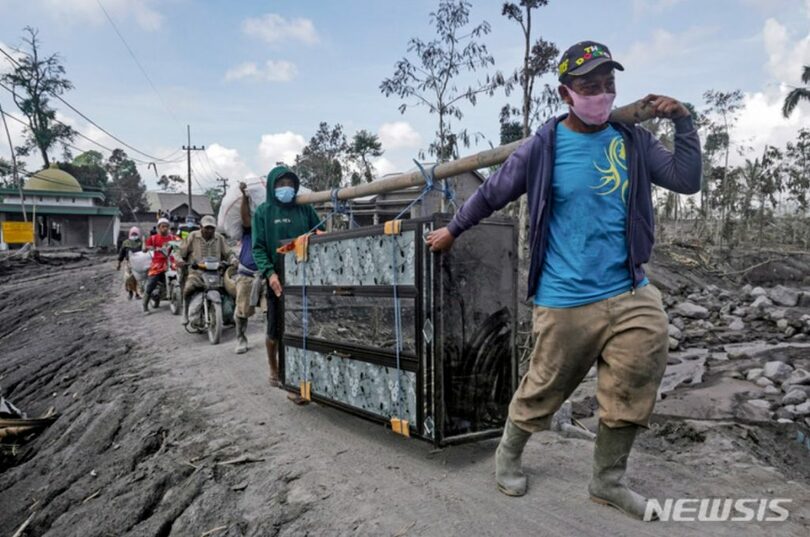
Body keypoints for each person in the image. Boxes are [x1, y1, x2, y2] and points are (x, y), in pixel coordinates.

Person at [426, 41, 701, 520]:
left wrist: (683, 121)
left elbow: (685, 179)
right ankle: (508, 452)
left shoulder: (632, 139)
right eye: (588, 86)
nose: (601, 94)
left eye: (608, 85)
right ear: (566, 93)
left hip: (630, 287)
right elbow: (493, 192)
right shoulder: (544, 146)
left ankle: (608, 480)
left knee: (636, 375)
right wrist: (453, 229)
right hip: (566, 294)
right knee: (545, 386)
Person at [252, 165, 323, 394]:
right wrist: (270, 274)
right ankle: (274, 367)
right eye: (281, 184)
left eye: (290, 184)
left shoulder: (304, 209)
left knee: (304, 327)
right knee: (275, 328)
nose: (286, 188)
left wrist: (321, 237)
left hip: (305, 278)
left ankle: (301, 371)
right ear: (273, 187)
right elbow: (259, 248)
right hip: (278, 280)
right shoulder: (263, 213)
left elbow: (320, 232)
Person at [177, 215, 235, 324]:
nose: (209, 230)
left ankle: (233, 314)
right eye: (206, 228)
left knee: (232, 289)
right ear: (200, 226)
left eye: (212, 228)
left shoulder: (220, 238)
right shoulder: (192, 236)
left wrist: (233, 260)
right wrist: (180, 260)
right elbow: (180, 252)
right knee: (188, 288)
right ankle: (185, 311)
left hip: (217, 273)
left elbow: (229, 253)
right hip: (197, 272)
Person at [232, 182, 261, 354]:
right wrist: (244, 196)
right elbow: (245, 217)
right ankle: (241, 339)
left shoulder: (269, 226)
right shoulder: (250, 227)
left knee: (269, 311)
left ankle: (271, 339)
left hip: (265, 274)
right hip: (246, 273)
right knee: (242, 311)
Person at [142, 218, 178, 314]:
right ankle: (145, 305)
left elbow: (181, 244)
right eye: (163, 226)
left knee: (181, 276)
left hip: (170, 262)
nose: (165, 228)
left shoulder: (173, 238)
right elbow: (145, 248)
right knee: (152, 282)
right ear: (158, 228)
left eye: (166, 226)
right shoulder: (153, 238)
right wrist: (153, 248)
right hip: (157, 263)